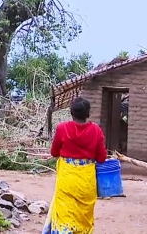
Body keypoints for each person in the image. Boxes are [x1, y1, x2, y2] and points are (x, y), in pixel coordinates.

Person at [43, 97, 108, 234]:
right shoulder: (96, 131)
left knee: (65, 213)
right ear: (88, 113)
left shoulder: (62, 128)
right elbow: (102, 158)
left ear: (71, 112)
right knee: (83, 215)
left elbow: (54, 152)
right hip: (86, 182)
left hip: (67, 180)